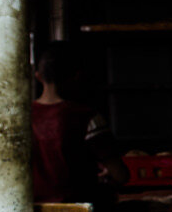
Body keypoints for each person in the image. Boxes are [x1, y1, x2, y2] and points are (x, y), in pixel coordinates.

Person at [32, 41, 129, 202]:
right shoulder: (87, 117)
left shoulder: (22, 118)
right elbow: (121, 175)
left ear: (38, 76)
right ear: (76, 76)